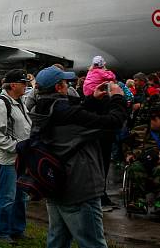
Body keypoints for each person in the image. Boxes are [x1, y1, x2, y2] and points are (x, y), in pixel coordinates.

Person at [29, 66, 127, 247]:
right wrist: (118, 98)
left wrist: (91, 100)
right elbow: (112, 123)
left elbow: (76, 120)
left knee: (58, 240)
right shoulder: (69, 114)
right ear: (58, 87)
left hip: (54, 183)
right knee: (93, 243)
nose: (68, 86)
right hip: (80, 189)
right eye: (65, 83)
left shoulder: (40, 110)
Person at [0, 69, 32, 244]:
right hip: (8, 160)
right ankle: (1, 232)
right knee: (7, 197)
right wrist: (16, 147)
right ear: (13, 85)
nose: (26, 87)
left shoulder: (20, 101)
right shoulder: (1, 104)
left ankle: (17, 229)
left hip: (21, 158)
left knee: (21, 196)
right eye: (24, 84)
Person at [123, 106, 160, 214]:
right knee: (135, 167)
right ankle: (139, 201)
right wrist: (128, 154)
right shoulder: (139, 130)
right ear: (154, 119)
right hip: (142, 161)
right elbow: (126, 144)